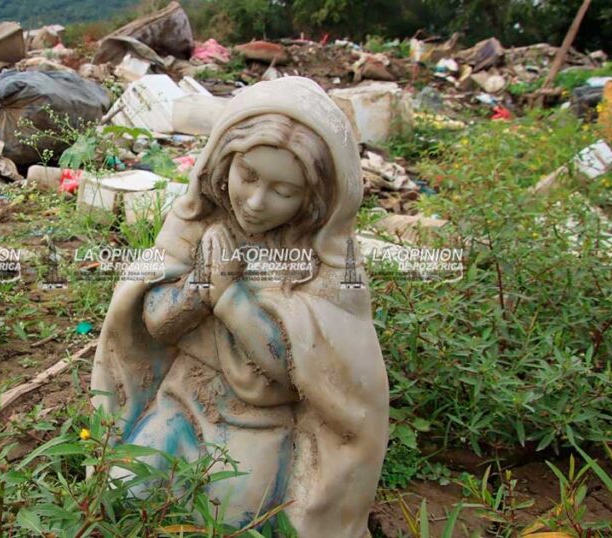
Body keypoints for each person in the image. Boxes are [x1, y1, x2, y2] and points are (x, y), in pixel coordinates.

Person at [91, 77, 389, 536]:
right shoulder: (197, 224)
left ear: (313, 198)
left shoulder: (326, 265)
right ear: (224, 160)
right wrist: (198, 289)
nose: (254, 201)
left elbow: (303, 365)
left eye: (283, 191)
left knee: (229, 524)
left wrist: (230, 298)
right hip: (179, 401)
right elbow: (154, 319)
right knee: (125, 494)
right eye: (247, 176)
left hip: (258, 427)